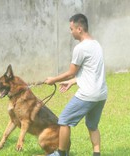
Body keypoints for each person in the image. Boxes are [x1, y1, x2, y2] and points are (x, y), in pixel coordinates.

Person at [45, 14, 107, 156]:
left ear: (79, 29)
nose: (70, 31)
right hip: (101, 94)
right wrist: (74, 82)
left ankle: (60, 154)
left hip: (88, 95)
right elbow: (91, 71)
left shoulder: (81, 48)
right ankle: (96, 154)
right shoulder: (96, 44)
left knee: (64, 120)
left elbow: (71, 72)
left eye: (71, 28)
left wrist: (53, 80)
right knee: (92, 126)